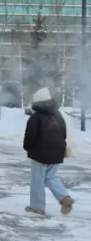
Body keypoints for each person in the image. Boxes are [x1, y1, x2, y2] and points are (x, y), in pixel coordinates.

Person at [23, 87, 74, 216]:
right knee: (51, 177)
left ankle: (37, 207)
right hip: (57, 151)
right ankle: (64, 198)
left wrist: (28, 148)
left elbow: (30, 136)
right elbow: (64, 133)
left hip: (40, 153)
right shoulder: (58, 115)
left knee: (38, 180)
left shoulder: (36, 117)